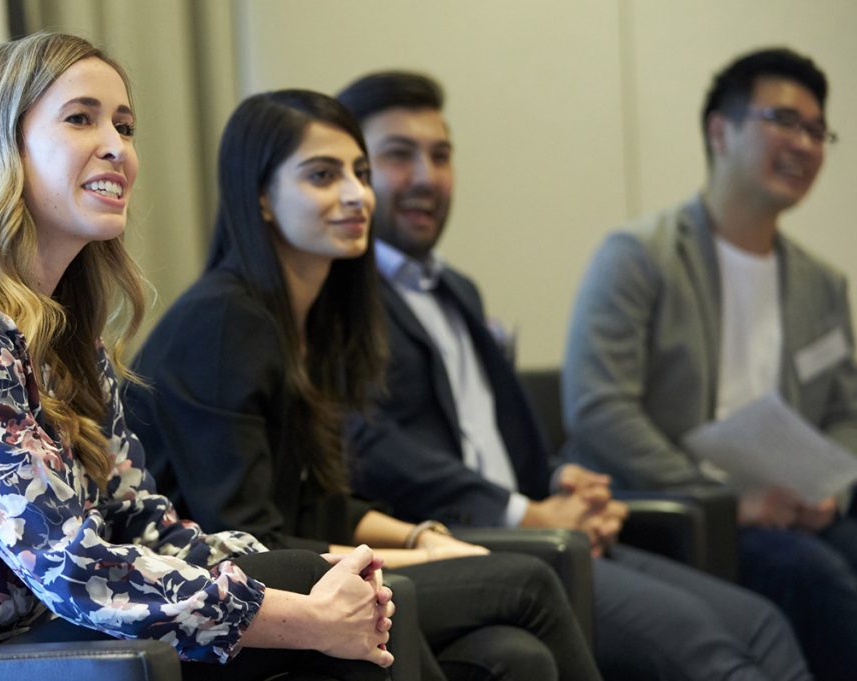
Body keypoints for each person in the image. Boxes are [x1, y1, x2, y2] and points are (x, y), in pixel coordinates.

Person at [0, 32, 397, 681]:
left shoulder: (67, 331)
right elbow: (68, 564)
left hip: (37, 632)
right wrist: (308, 616)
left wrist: (332, 569)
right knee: (312, 617)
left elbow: (141, 525)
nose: (117, 148)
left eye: (124, 126)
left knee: (386, 607)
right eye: (81, 118)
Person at [338, 70, 813, 681]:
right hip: (464, 544)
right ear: (360, 174)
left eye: (441, 154)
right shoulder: (345, 302)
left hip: (538, 528)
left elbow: (496, 438)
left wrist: (565, 483)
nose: (427, 177)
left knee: (763, 624)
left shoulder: (456, 289)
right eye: (400, 156)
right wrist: (522, 514)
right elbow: (372, 448)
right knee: (708, 651)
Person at [125, 88, 602, 681]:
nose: (357, 194)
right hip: (219, 604)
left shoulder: (315, 318)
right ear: (262, 198)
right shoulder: (223, 322)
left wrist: (424, 536)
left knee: (514, 654)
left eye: (361, 172)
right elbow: (249, 533)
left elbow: (317, 499)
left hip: (291, 566)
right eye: (323, 175)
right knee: (528, 578)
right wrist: (418, 552)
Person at [562, 47, 857, 680]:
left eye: (817, 130)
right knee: (814, 577)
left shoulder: (822, 284)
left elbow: (845, 415)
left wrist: (830, 491)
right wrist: (728, 499)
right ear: (719, 130)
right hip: (675, 513)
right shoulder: (639, 256)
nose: (805, 144)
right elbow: (599, 408)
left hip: (792, 512)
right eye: (784, 120)